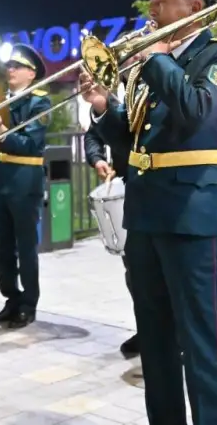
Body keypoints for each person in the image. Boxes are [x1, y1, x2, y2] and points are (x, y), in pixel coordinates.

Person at [83, 0, 217, 425]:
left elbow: (198, 113)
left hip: (190, 219)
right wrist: (101, 105)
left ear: (194, 8)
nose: (152, 6)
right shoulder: (150, 66)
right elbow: (129, 138)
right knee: (154, 341)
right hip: (146, 218)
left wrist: (156, 57)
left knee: (201, 341)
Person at [0, 44, 51, 329]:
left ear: (31, 73)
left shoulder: (39, 103)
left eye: (17, 66)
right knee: (0, 244)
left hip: (24, 179)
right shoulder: (0, 101)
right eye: (9, 65)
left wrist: (0, 130)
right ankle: (11, 299)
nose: (10, 70)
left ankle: (28, 303)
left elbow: (30, 145)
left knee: (25, 246)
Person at [83, 120, 138, 357]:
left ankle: (173, 334)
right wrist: (98, 158)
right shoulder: (121, 99)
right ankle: (147, 329)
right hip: (127, 188)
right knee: (134, 270)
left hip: (157, 188)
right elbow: (93, 134)